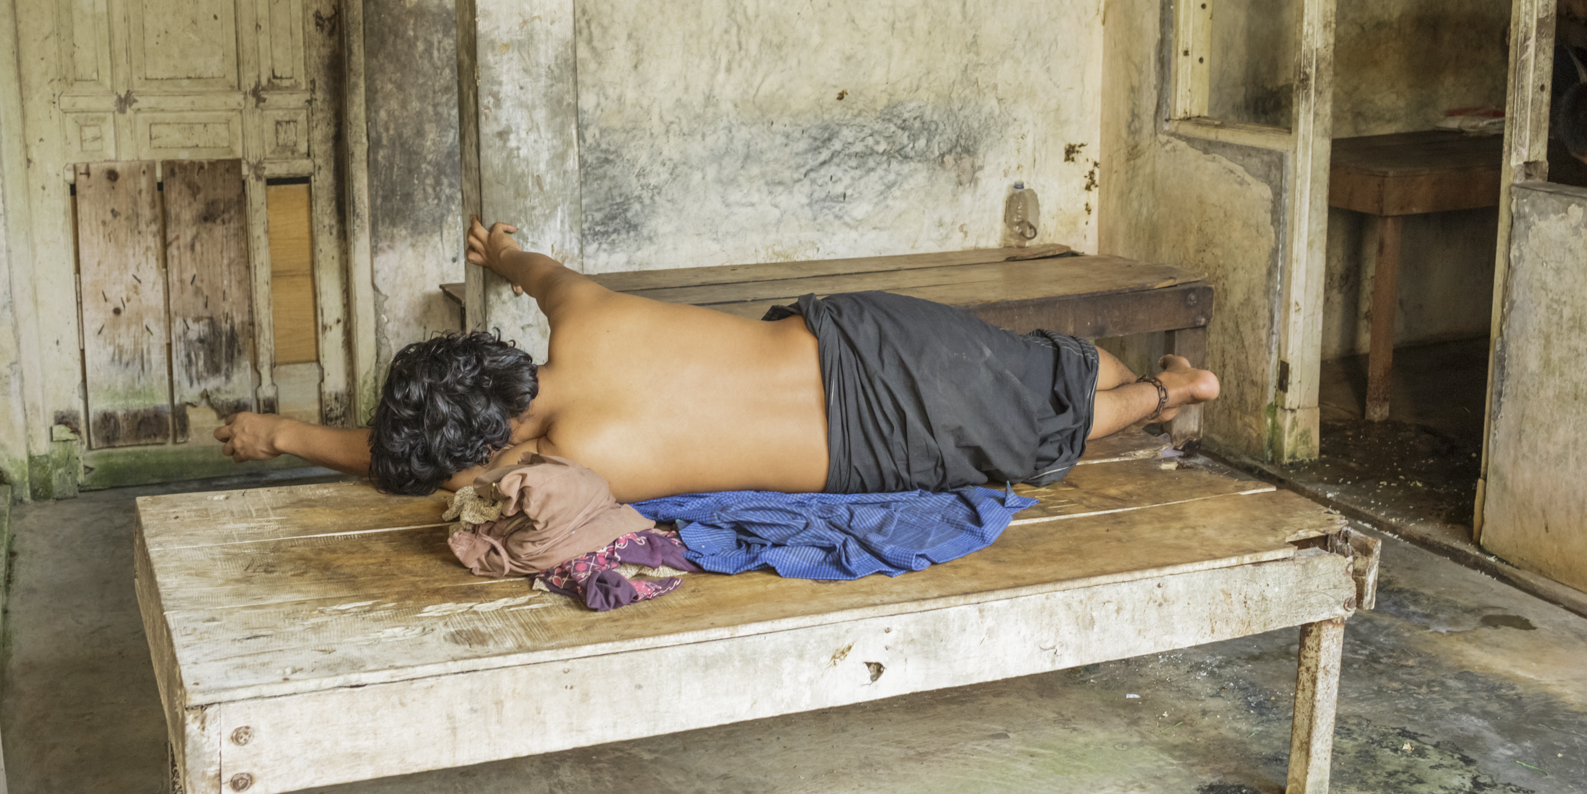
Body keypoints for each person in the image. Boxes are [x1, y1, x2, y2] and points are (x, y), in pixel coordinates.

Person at [215, 218, 1220, 500]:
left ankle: (1165, 392)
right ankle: (1155, 381)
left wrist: (281, 435)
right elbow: (539, 270)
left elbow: (397, 462)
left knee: (1036, 436)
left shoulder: (558, 463)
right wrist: (500, 249)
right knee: (1039, 369)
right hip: (867, 340)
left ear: (483, 446)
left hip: (872, 445)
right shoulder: (583, 318)